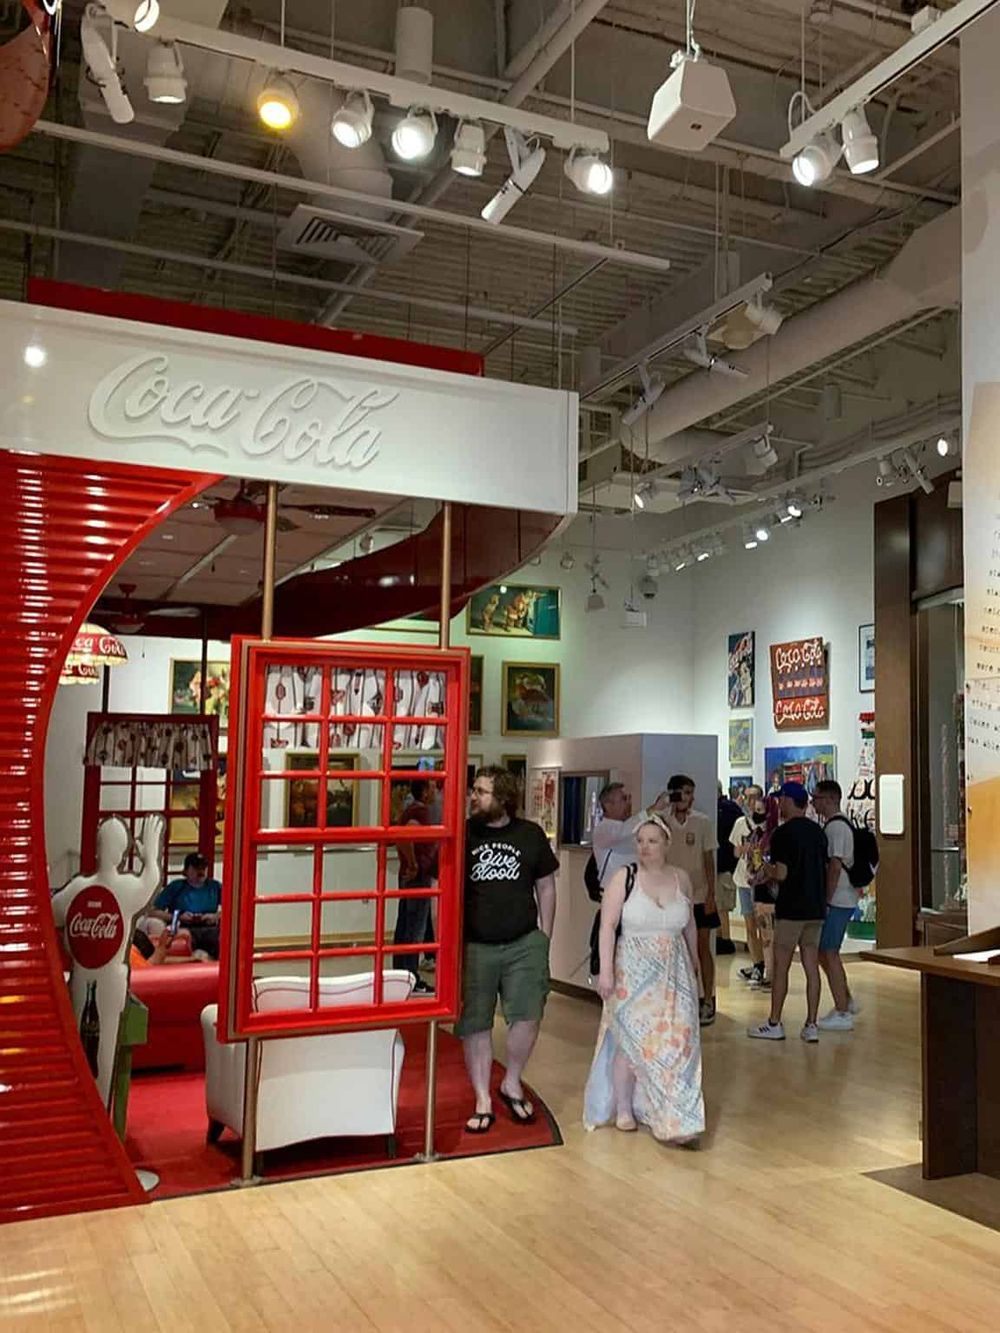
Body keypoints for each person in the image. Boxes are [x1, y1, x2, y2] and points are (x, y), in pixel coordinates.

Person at [583, 815, 704, 1145]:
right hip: (633, 968)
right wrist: (605, 972)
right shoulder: (625, 877)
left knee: (679, 1040)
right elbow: (607, 926)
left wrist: (695, 961)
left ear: (666, 843)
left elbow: (689, 924)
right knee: (631, 1040)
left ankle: (678, 1115)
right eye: (640, 841)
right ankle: (624, 1107)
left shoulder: (681, 878)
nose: (645, 847)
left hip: (673, 971)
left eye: (652, 841)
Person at [457, 765, 559, 1133]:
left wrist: (545, 936)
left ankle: (511, 1080)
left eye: (481, 792)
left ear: (502, 798)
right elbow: (445, 885)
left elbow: (546, 887)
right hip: (476, 944)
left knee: (528, 1015)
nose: (474, 797)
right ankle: (483, 1097)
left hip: (523, 941)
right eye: (474, 790)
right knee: (475, 1022)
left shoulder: (530, 835)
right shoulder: (464, 834)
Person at [747, 782, 828, 1043]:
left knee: (781, 967)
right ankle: (812, 1024)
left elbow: (781, 873)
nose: (779, 804)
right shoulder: (819, 832)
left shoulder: (783, 834)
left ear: (790, 801)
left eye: (781, 799)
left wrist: (765, 869)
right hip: (815, 908)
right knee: (811, 966)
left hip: (791, 908)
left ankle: (774, 1022)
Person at [663, 775, 718, 1025]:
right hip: (670, 896)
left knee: (701, 947)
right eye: (683, 792)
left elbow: (709, 860)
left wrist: (711, 895)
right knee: (672, 948)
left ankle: (707, 998)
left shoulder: (702, 822)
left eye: (690, 792)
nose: (687, 797)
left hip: (698, 894)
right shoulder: (661, 821)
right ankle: (677, 999)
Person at [811, 780, 861, 1030]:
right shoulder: (835, 826)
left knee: (829, 951)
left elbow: (835, 865)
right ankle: (846, 1000)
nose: (814, 802)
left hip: (839, 899)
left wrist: (827, 900)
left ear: (830, 799)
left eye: (817, 798)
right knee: (825, 951)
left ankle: (842, 1011)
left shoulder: (836, 829)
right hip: (840, 897)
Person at [392, 778, 438, 993]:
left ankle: (399, 975)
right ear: (425, 792)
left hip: (408, 876)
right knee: (414, 930)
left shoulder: (410, 809)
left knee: (404, 926)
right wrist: (413, 863)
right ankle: (411, 978)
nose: (436, 791)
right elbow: (404, 836)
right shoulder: (420, 811)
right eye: (432, 787)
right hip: (417, 877)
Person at [591, 782, 670, 889]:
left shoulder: (632, 827)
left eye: (629, 798)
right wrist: (652, 810)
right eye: (624, 799)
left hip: (636, 890)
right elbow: (623, 833)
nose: (629, 803)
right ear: (608, 805)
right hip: (614, 891)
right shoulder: (603, 830)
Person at [151, 852, 223, 960]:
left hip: (209, 928)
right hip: (182, 927)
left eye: (203, 868)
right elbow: (153, 911)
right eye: (196, 868)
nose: (201, 871)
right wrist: (178, 917)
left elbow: (233, 908)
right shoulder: (176, 886)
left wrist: (215, 916)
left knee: (220, 939)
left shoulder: (215, 886)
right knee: (183, 939)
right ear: (185, 871)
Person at [731, 784, 766, 985]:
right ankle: (757, 963)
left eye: (755, 798)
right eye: (747, 798)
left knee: (766, 926)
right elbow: (736, 851)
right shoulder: (740, 823)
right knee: (749, 924)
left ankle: (767, 964)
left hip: (763, 881)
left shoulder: (769, 824)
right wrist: (747, 848)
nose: (751, 802)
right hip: (744, 879)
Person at [715, 782, 742, 955]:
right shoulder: (732, 809)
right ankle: (721, 938)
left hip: (724, 865)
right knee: (720, 905)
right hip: (727, 865)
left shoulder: (726, 810)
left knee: (722, 906)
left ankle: (724, 939)